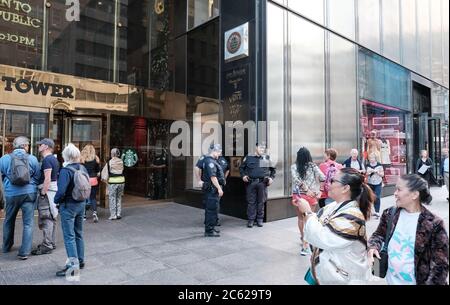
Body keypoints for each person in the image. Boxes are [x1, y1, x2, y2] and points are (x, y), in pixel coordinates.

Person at [297, 168, 375, 285]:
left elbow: (321, 237)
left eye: (333, 180)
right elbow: (317, 224)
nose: (329, 183)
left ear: (345, 188)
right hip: (327, 274)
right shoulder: (333, 206)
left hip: (344, 279)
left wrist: (307, 212)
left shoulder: (353, 217)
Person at [368, 174, 449, 285]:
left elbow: (441, 265)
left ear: (415, 194)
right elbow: (378, 235)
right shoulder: (389, 214)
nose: (395, 193)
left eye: (399, 189)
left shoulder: (434, 224)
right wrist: (373, 246)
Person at [0, 136, 41, 260]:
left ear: (14, 146)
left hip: (11, 194)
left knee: (9, 220)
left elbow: (2, 175)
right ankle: (24, 252)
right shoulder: (33, 159)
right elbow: (38, 177)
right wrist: (30, 184)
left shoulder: (4, 159)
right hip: (29, 193)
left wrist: (8, 185)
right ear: (25, 146)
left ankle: (6, 246)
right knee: (28, 223)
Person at [54, 143, 88, 277]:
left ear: (65, 156)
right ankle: (80, 260)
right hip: (81, 203)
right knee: (79, 233)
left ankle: (73, 267)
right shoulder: (82, 168)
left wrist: (56, 201)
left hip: (68, 205)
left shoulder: (66, 171)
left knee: (69, 237)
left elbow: (61, 191)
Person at [291, 147, 325, 256]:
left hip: (299, 195)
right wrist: (319, 190)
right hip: (311, 196)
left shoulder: (294, 166)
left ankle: (303, 239)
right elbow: (323, 177)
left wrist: (305, 189)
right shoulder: (313, 166)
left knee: (301, 219)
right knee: (309, 218)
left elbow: (296, 179)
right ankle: (308, 240)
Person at [32, 138, 60, 255]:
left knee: (46, 218)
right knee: (52, 217)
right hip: (53, 192)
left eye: (41, 144)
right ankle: (51, 242)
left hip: (48, 192)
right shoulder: (53, 159)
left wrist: (43, 192)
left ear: (46, 147)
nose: (39, 146)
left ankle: (47, 245)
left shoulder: (47, 160)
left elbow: (47, 179)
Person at [239, 142, 276, 228]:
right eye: (260, 148)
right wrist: (243, 176)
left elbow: (273, 170)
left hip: (262, 183)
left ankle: (260, 219)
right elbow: (241, 168)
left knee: (261, 202)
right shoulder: (249, 157)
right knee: (251, 202)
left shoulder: (266, 158)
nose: (262, 150)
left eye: (263, 148)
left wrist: (271, 178)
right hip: (251, 183)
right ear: (256, 148)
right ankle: (251, 220)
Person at [201, 144, 225, 237]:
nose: (219, 154)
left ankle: (211, 227)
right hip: (212, 190)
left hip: (211, 190)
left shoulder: (210, 160)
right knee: (211, 210)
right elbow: (213, 177)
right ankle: (209, 231)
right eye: (219, 152)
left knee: (212, 210)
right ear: (214, 151)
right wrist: (219, 188)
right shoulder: (210, 161)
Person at [101, 148, 125, 220]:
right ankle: (118, 214)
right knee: (119, 197)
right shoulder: (121, 161)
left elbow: (104, 173)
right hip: (121, 181)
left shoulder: (110, 162)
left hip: (113, 181)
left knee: (112, 198)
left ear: (112, 154)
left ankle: (113, 215)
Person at [81, 144, 100, 223]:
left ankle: (84, 215)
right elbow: (98, 171)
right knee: (93, 197)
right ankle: (94, 212)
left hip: (85, 180)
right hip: (93, 180)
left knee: (84, 198)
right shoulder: (96, 159)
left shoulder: (82, 159)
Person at [366, 153, 384, 219]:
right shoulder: (367, 165)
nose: (371, 159)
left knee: (377, 197)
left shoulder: (379, 165)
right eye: (370, 158)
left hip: (378, 183)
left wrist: (377, 172)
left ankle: (377, 212)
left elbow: (382, 174)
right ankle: (370, 211)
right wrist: (369, 172)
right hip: (370, 183)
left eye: (373, 158)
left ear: (375, 158)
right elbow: (366, 174)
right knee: (370, 197)